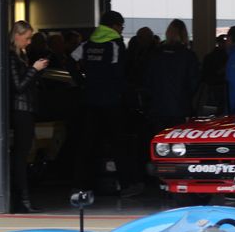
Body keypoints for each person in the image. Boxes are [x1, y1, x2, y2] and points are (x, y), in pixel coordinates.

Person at [71, 10, 141, 197]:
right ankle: (126, 185)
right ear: (114, 26)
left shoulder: (87, 44)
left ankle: (80, 186)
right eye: (121, 26)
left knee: (87, 145)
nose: (122, 29)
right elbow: (120, 73)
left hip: (90, 101)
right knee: (119, 144)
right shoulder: (115, 44)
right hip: (111, 102)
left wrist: (82, 81)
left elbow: (70, 60)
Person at [8, 20, 48, 213]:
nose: (29, 41)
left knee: (22, 154)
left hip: (25, 109)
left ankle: (23, 199)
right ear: (17, 36)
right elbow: (18, 86)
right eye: (27, 37)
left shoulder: (20, 55)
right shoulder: (12, 57)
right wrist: (34, 69)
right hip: (21, 110)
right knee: (20, 155)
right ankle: (22, 200)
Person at [145, 19, 199, 132]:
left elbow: (148, 81)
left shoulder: (155, 54)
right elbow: (194, 83)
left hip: (157, 107)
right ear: (184, 34)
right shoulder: (188, 55)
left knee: (159, 138)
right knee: (177, 139)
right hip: (180, 108)